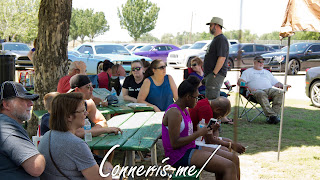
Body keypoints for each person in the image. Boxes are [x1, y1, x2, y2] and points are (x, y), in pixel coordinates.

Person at [162, 76, 240, 180]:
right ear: (188, 97)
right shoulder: (174, 113)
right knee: (228, 166)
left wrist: (206, 130)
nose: (197, 100)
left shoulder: (184, 110)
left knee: (233, 159)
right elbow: (175, 143)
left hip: (189, 148)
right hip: (178, 156)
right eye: (196, 97)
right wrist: (199, 133)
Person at [38, 93, 113, 180]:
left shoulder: (48, 135)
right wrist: (108, 168)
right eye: (82, 111)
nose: (86, 113)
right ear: (69, 116)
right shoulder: (76, 144)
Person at [0, 81, 45, 179]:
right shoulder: (7, 127)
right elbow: (36, 167)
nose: (31, 103)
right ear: (6, 105)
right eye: (24, 100)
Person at [238, 55, 290, 124]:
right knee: (261, 93)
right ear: (254, 62)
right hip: (255, 92)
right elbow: (240, 81)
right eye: (259, 61)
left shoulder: (267, 72)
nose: (261, 63)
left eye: (263, 62)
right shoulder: (248, 72)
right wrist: (248, 87)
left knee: (279, 93)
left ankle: (273, 117)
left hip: (268, 90)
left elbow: (276, 83)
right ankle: (272, 116)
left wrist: (284, 86)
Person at [203, 17, 229, 100]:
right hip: (211, 74)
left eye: (211, 25)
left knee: (212, 100)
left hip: (215, 74)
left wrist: (214, 73)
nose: (209, 27)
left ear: (217, 25)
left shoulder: (221, 39)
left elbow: (222, 57)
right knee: (209, 99)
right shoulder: (216, 39)